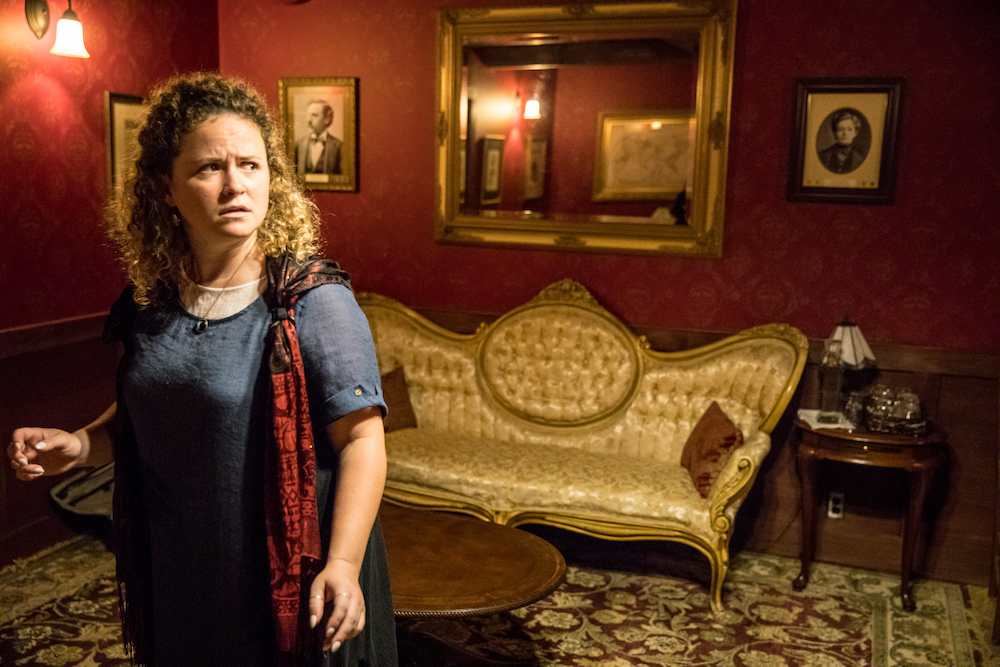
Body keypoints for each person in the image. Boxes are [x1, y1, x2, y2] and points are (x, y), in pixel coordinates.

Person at [7, 72, 396, 667]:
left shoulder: (310, 299)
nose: (235, 184)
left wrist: (342, 563)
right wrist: (81, 444)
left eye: (251, 165)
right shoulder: (150, 300)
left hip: (287, 569)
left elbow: (364, 439)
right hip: (181, 566)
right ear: (165, 187)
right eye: (209, 167)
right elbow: (153, 411)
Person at [295, 99, 343, 175]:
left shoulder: (338, 146)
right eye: (308, 115)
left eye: (314, 115)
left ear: (327, 119)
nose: (309, 120)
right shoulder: (299, 144)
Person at [818, 109, 867, 174]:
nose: (845, 133)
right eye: (840, 129)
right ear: (835, 132)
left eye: (849, 129)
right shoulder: (823, 156)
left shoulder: (860, 158)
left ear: (855, 133)